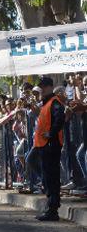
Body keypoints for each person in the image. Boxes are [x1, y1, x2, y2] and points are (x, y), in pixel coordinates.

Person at [34, 76, 65, 221]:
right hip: (44, 145)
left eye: (44, 86)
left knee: (51, 178)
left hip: (50, 145)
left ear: (50, 87)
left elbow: (60, 118)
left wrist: (51, 133)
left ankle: (52, 210)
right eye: (42, 86)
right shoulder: (46, 103)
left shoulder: (54, 102)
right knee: (47, 177)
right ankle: (51, 207)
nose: (42, 89)